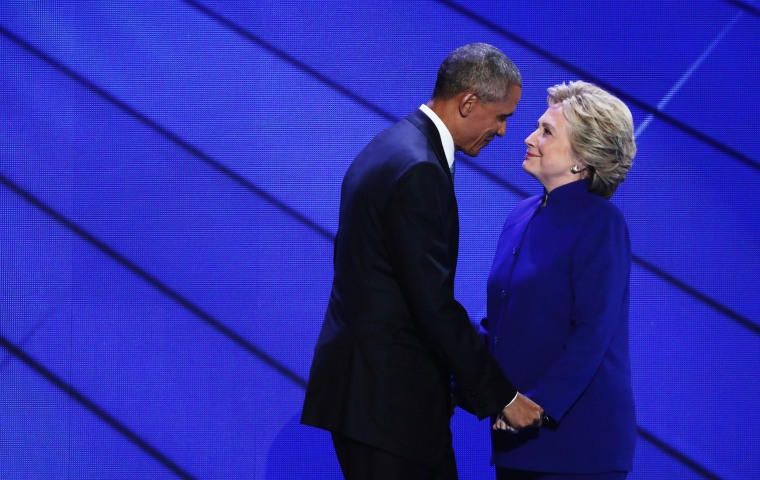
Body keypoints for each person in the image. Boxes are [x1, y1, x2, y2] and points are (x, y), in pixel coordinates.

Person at [301, 43, 544, 480]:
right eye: (502, 117)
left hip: (369, 398)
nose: (505, 132)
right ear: (468, 102)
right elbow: (430, 305)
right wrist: (503, 396)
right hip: (388, 407)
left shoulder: (391, 144)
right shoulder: (420, 169)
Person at [487, 80, 637, 480]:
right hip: (516, 437)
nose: (529, 137)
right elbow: (504, 325)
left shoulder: (602, 223)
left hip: (577, 444)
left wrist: (535, 405)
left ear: (582, 159)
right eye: (538, 126)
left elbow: (592, 332)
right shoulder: (520, 216)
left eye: (546, 132)